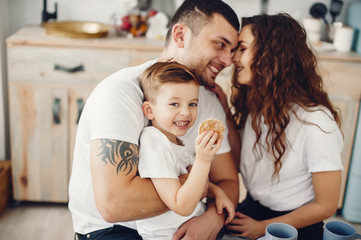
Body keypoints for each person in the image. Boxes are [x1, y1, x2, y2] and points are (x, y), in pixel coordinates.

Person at [68, 0, 240, 239]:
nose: (228, 60)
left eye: (232, 50)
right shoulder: (120, 93)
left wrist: (213, 218)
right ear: (180, 35)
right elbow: (115, 205)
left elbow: (228, 180)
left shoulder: (208, 100)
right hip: (116, 230)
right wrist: (199, 183)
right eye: (220, 44)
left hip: (190, 220)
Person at [212, 13, 343, 240]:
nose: (233, 59)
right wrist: (223, 109)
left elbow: (326, 205)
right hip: (254, 209)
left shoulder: (317, 123)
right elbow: (239, 163)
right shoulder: (259, 104)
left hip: (297, 222)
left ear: (271, 55)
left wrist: (263, 227)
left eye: (242, 49)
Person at [136, 61, 235, 239]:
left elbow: (190, 181)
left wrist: (217, 192)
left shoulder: (177, 141)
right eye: (174, 104)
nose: (186, 113)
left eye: (192, 104)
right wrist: (203, 161)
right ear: (149, 111)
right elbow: (181, 205)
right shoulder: (154, 142)